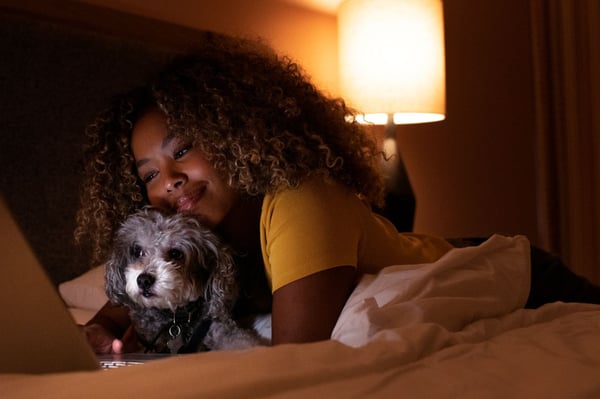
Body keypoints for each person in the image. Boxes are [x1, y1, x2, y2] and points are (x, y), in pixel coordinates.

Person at [75, 34, 600, 354]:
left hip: (517, 277)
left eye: (183, 148)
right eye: (148, 174)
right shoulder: (197, 241)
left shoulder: (301, 200)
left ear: (236, 132)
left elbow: (296, 357)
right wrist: (99, 329)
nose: (167, 179)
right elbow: (127, 300)